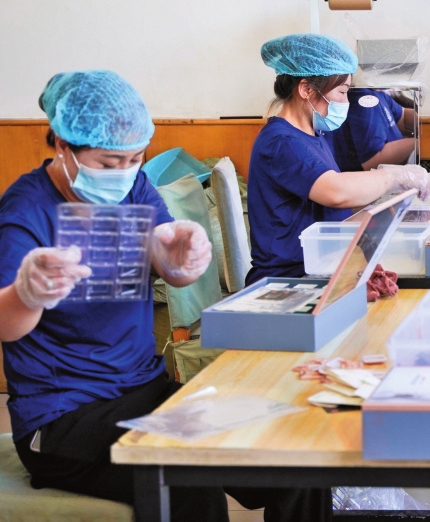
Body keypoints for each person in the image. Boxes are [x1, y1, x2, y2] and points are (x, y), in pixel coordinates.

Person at [0, 70, 326, 521]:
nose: (123, 173)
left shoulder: (133, 186)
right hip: (62, 418)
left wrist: (181, 260)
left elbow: (165, 255)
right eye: (108, 164)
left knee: (295, 455)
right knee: (187, 484)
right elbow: (7, 324)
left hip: (145, 390)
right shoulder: (25, 210)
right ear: (61, 145)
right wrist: (28, 292)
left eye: (134, 159)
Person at [247, 33, 430, 282]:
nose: (346, 101)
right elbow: (336, 192)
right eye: (342, 92)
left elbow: (331, 207)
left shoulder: (314, 135)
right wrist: (393, 177)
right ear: (306, 89)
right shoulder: (282, 142)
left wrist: (386, 206)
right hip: (289, 279)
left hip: (321, 265)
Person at [327, 87, 417, 171]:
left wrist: (422, 120)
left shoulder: (377, 93)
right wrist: (418, 143)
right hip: (370, 179)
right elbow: (374, 160)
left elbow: (403, 117)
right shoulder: (365, 100)